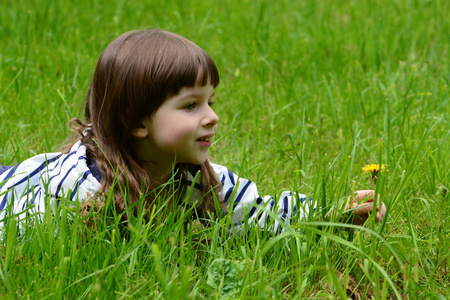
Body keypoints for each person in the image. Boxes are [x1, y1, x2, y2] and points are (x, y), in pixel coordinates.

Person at [0, 29, 386, 235]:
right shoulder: (78, 188)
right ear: (137, 121)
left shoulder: (195, 179)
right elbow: (20, 237)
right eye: (190, 106)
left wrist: (332, 214)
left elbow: (256, 212)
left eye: (211, 102)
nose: (212, 117)